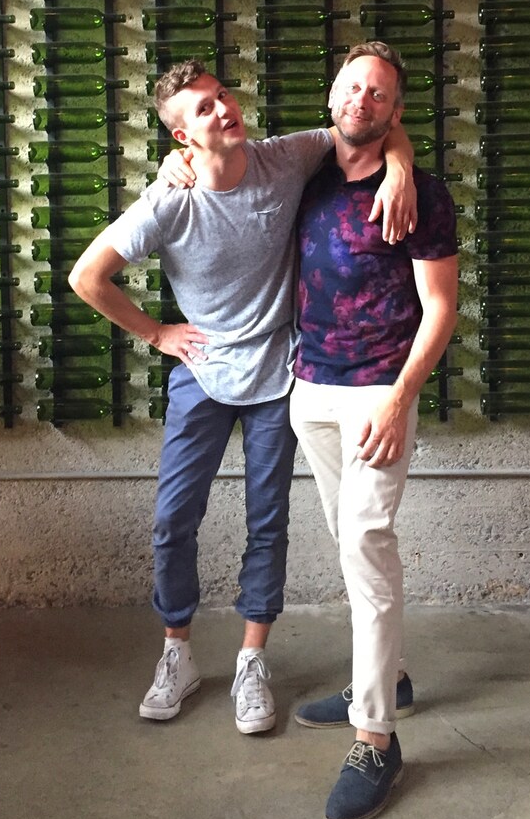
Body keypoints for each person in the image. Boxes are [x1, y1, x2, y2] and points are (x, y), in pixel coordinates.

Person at [68, 60, 415, 736]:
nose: (223, 109)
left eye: (221, 95)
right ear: (181, 138)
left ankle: (252, 660)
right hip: (200, 371)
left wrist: (400, 168)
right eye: (202, 109)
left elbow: (365, 127)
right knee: (174, 518)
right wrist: (157, 333)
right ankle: (176, 652)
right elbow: (88, 276)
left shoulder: (285, 158)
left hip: (275, 373)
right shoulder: (170, 199)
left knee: (267, 520)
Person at [289, 41, 458, 819]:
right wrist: (178, 164)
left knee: (365, 539)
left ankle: (376, 738)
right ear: (333, 95)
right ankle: (388, 679)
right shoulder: (306, 173)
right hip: (311, 391)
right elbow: (224, 163)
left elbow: (441, 309)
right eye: (353, 86)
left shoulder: (421, 193)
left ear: (396, 112)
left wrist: (398, 401)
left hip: (377, 396)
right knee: (346, 540)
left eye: (380, 93)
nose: (363, 99)